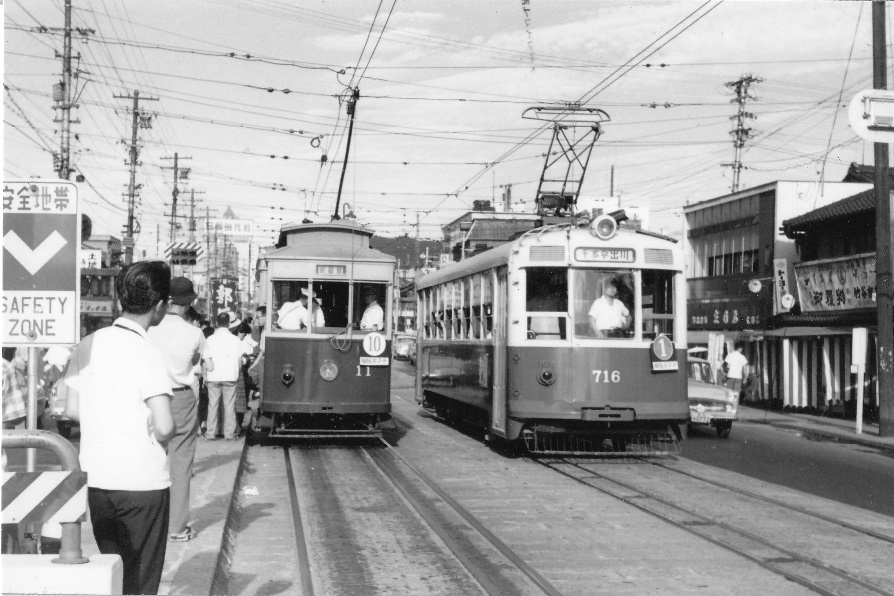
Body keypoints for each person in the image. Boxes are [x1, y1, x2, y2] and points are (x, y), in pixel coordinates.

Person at [58, 261, 175, 595]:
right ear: (159, 306)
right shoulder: (147, 351)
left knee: (114, 576)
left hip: (97, 482)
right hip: (143, 484)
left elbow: (71, 409)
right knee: (141, 582)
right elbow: (165, 427)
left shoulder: (88, 343)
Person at [146, 277, 205, 543]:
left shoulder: (148, 329)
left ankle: (147, 524)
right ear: (190, 302)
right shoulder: (195, 333)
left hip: (149, 399)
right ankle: (176, 528)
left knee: (148, 459)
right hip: (181, 399)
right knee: (181, 466)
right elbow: (195, 362)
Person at [203, 312, 244, 441]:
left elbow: (206, 359)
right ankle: (229, 434)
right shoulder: (236, 340)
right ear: (228, 323)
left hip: (213, 376)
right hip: (230, 376)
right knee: (229, 405)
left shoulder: (209, 339)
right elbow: (239, 362)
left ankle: (210, 433)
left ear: (216, 323)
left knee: (213, 405)